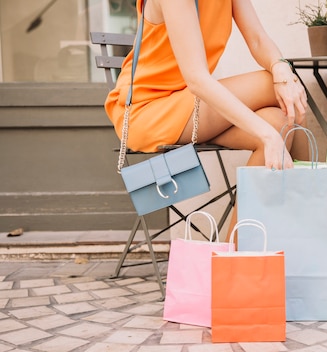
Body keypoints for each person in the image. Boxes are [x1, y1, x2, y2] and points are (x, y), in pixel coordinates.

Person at [105, 0, 310, 236]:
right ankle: (312, 217)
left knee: (280, 123)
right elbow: (198, 80)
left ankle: (237, 255)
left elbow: (257, 39)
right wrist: (264, 132)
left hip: (192, 105)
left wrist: (281, 67)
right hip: (149, 111)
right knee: (269, 88)